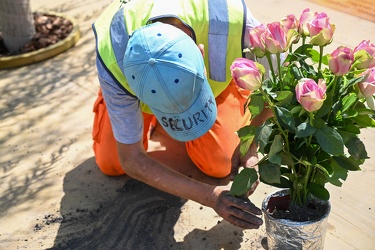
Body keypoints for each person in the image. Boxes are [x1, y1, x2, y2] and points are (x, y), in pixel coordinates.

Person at [92, 0, 270, 229]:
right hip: (131, 92)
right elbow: (131, 159)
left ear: (200, 52)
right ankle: (128, 108)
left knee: (221, 164)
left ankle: (227, 97)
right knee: (111, 163)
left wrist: (250, 143)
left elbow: (279, 85)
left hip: (217, 87)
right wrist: (211, 197)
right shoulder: (112, 54)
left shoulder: (234, 20)